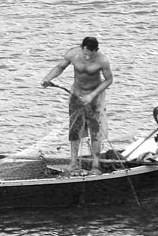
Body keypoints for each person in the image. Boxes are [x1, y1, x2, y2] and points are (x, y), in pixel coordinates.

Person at [41, 36, 113, 174]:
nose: (87, 57)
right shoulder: (73, 54)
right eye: (85, 54)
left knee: (95, 130)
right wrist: (48, 78)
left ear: (96, 50)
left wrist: (92, 95)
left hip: (95, 96)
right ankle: (73, 162)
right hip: (77, 95)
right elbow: (60, 67)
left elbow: (109, 80)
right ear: (81, 48)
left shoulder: (102, 60)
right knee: (75, 129)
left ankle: (95, 165)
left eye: (90, 55)